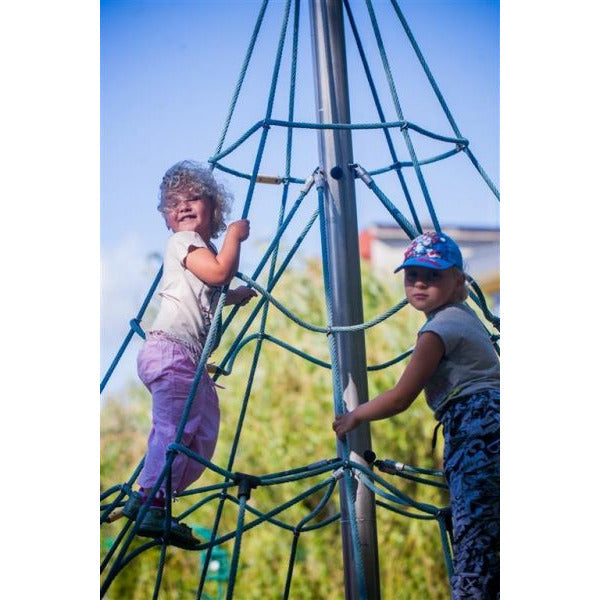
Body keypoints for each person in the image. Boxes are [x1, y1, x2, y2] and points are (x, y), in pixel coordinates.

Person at [332, 231, 499, 599]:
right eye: (412, 276)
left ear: (459, 281)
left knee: (475, 546)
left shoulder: (438, 329)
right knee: (494, 539)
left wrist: (355, 416)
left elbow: (400, 397)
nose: (420, 283)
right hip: (492, 422)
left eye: (433, 275)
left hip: (478, 433)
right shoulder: (465, 317)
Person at [123, 160, 257, 548]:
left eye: (193, 197)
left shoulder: (203, 249)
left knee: (201, 432)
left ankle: (154, 498)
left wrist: (232, 299)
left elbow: (208, 292)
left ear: (213, 207)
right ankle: (152, 500)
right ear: (167, 218)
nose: (183, 205)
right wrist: (235, 236)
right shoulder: (183, 242)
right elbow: (217, 274)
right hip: (169, 352)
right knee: (175, 430)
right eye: (173, 202)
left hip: (185, 358)